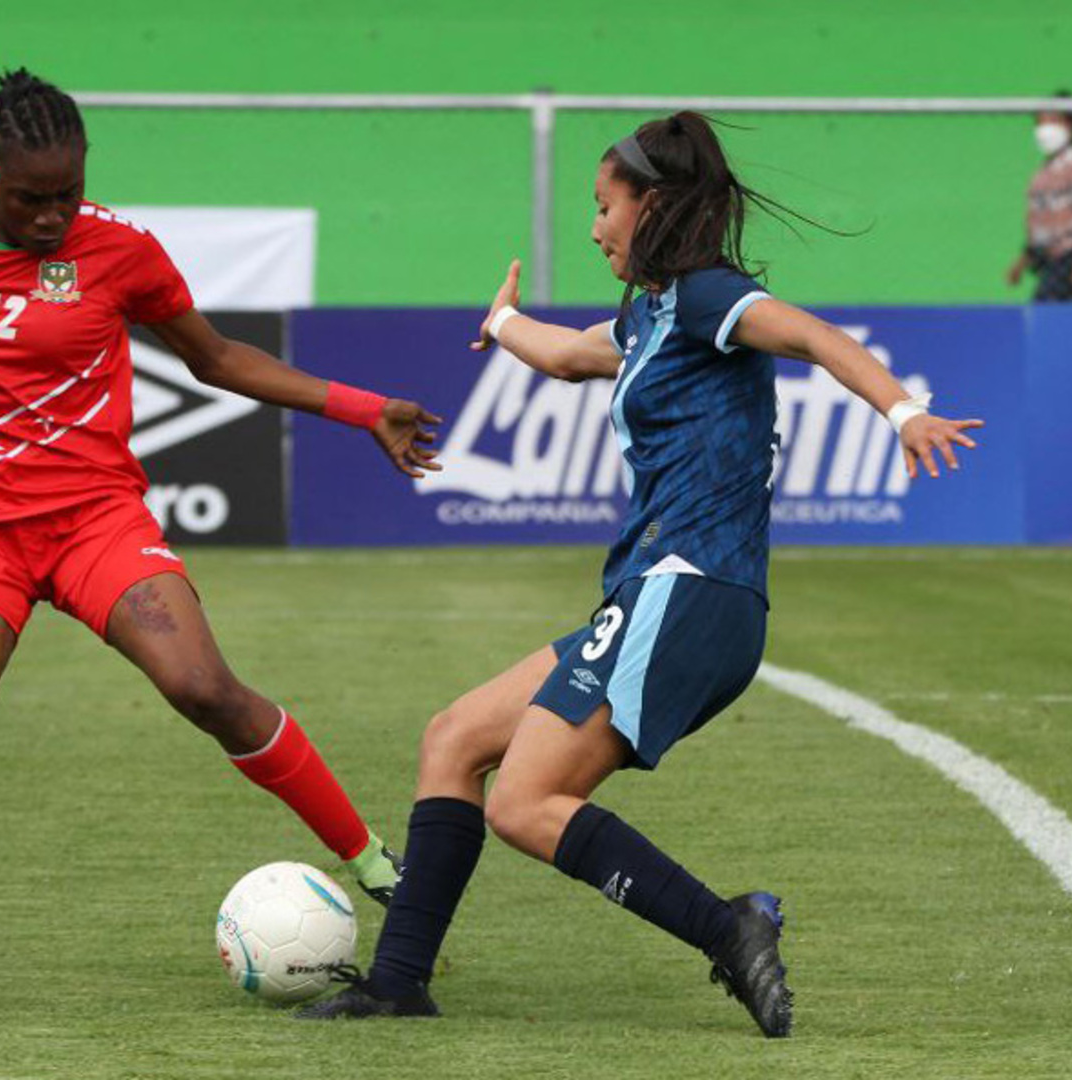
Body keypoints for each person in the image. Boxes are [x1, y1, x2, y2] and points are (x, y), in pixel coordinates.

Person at [298, 112, 982, 1036]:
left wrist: (904, 413)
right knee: (453, 739)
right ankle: (397, 983)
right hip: (653, 594)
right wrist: (502, 322)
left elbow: (816, 337)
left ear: (650, 206)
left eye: (603, 207)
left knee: (525, 802)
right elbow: (567, 355)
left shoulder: (706, 298)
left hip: (689, 588)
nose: (593, 229)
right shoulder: (652, 317)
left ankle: (727, 928)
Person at [0, 68, 442, 1017]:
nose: (53, 216)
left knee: (204, 689)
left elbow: (216, 358)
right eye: (30, 199)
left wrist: (361, 408)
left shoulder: (121, 251)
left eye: (68, 193)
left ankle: (372, 858)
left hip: (93, 518)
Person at [1006, 90, 1072, 302]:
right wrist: (1022, 263)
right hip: (1052, 259)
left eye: (1052, 122)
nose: (1044, 130)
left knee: (1046, 310)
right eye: (1039, 123)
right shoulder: (1045, 171)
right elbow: (1040, 225)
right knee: (1065, 314)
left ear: (1070, 125)